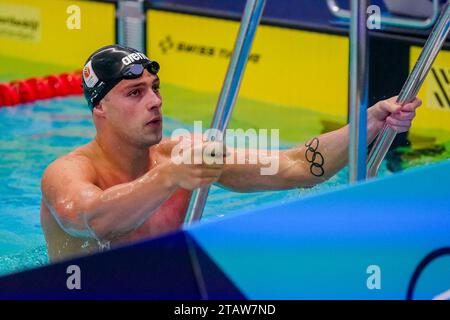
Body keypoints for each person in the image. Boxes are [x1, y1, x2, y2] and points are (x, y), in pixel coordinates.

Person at [40, 45, 422, 261]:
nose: (155, 101)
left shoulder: (180, 157)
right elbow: (91, 220)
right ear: (99, 108)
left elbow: (299, 165)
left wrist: (368, 123)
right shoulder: (68, 172)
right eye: (135, 93)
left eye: (154, 88)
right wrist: (167, 177)